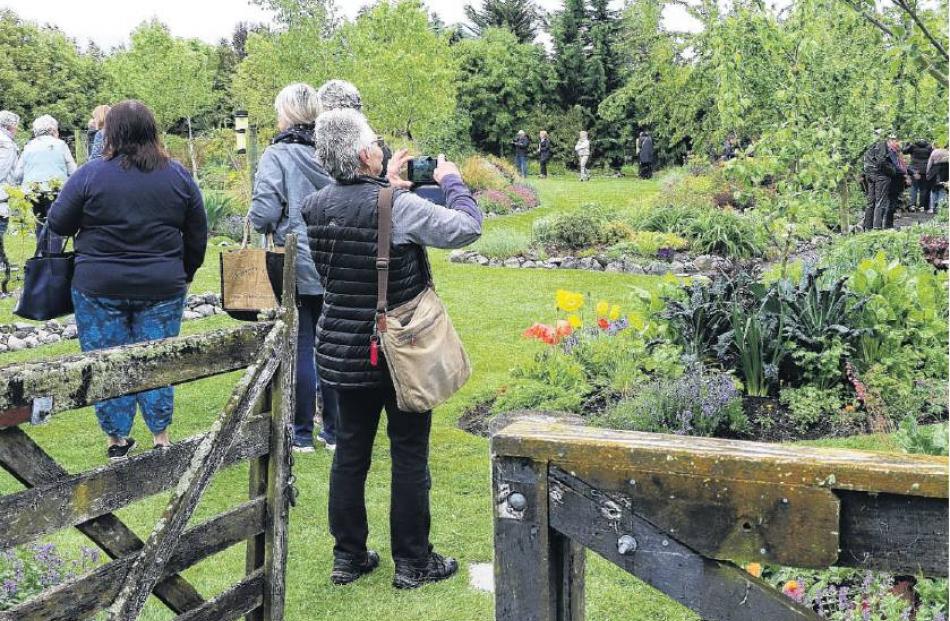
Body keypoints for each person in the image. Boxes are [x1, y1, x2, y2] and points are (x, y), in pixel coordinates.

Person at [302, 108, 481, 589]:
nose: (381, 147)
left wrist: (387, 185)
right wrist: (452, 181)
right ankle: (413, 562)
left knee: (351, 454)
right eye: (375, 144)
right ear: (365, 154)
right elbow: (466, 227)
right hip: (398, 348)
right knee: (408, 454)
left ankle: (349, 557)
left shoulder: (314, 205)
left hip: (340, 346)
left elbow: (360, 217)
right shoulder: (394, 207)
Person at [47, 100, 208, 461]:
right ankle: (161, 435)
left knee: (106, 360)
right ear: (152, 131)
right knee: (158, 360)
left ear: (111, 132)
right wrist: (186, 272)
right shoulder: (178, 176)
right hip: (161, 285)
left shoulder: (90, 175)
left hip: (99, 287)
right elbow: (198, 233)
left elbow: (58, 223)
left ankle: (117, 438)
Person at [249, 83, 336, 453]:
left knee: (302, 347)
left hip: (296, 262)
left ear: (286, 113)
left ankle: (301, 433)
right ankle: (333, 431)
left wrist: (258, 220)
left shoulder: (277, 154)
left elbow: (265, 211)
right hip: (334, 258)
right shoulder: (333, 152)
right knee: (331, 347)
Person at [15, 115, 77, 236]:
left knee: (40, 223)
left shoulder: (29, 146)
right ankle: (53, 254)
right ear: (53, 129)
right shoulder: (60, 145)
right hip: (55, 190)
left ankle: (41, 253)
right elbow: (73, 171)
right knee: (55, 225)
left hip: (33, 191)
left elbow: (18, 173)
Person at [861, 135, 895, 230]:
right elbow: (881, 161)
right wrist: (891, 171)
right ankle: (877, 227)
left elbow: (864, 159)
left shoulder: (869, 142)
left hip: (869, 174)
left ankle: (867, 226)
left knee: (871, 202)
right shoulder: (881, 144)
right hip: (880, 175)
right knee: (880, 202)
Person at [0, 111, 20, 238]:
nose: (17, 128)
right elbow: (2, 169)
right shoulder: (7, 143)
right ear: (9, 126)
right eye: (15, 125)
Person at [885, 137, 910, 228]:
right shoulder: (890, 153)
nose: (898, 142)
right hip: (892, 182)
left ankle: (889, 224)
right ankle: (888, 225)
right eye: (895, 140)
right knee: (891, 203)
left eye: (897, 140)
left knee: (892, 203)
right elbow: (897, 167)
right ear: (889, 141)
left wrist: (911, 172)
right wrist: (905, 173)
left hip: (895, 182)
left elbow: (903, 166)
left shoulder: (896, 152)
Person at [926, 145, 948, 214]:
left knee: (933, 190)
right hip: (945, 172)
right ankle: (940, 208)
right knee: (942, 189)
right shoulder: (947, 152)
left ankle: (932, 208)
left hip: (935, 171)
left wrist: (927, 172)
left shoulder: (934, 152)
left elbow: (930, 163)